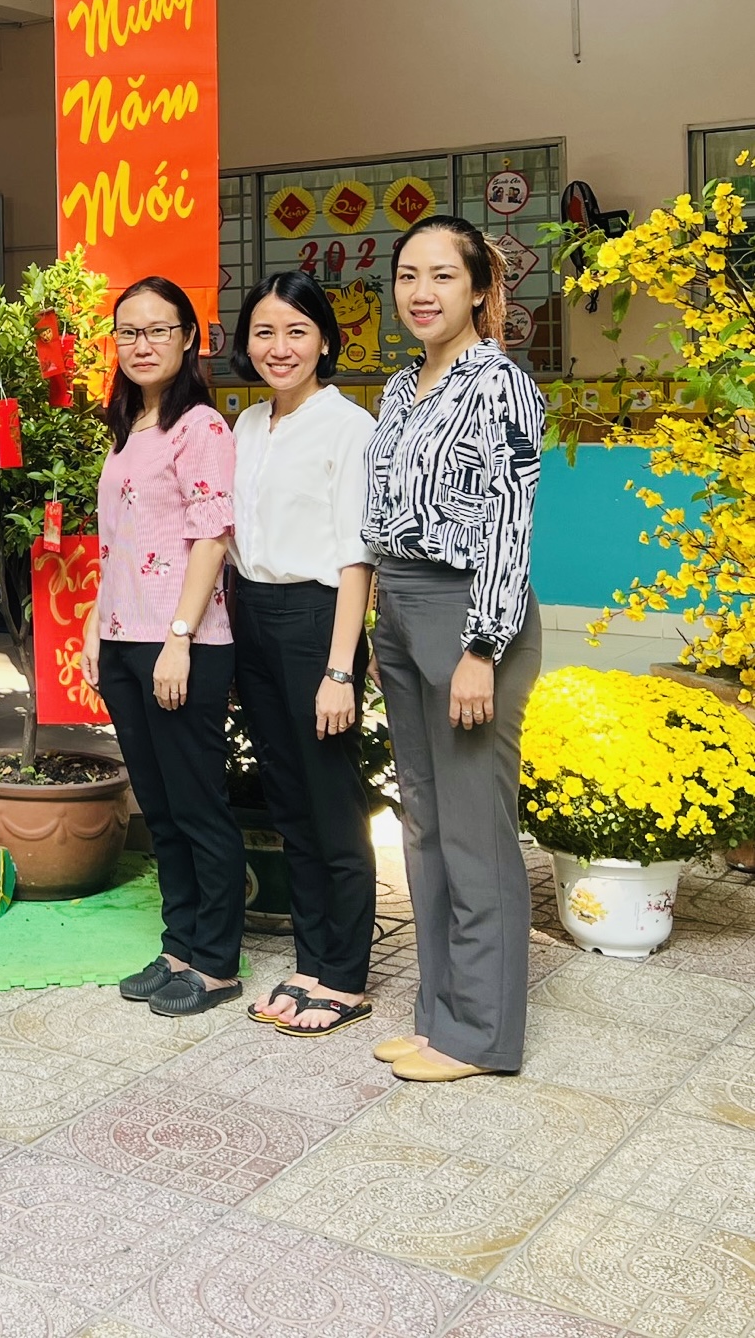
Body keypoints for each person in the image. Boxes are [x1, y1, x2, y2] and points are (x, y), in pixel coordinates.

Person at [363, 215, 545, 1083]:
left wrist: (482, 645)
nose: (421, 292)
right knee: (426, 826)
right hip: (400, 607)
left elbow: (510, 523)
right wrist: (379, 624)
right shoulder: (401, 388)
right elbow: (381, 516)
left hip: (468, 612)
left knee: (475, 831)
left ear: (479, 290)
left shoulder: (500, 384)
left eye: (441, 275)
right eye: (407, 275)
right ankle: (438, 1016)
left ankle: (480, 1034)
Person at [82, 276, 244, 1018]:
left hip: (180, 643)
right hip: (125, 638)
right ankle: (179, 945)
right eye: (127, 332)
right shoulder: (129, 427)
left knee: (198, 804)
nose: (141, 344)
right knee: (160, 807)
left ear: (188, 339)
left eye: (157, 330)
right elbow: (118, 542)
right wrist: (97, 624)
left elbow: (211, 537)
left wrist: (179, 638)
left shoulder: (200, 426)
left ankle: (215, 963)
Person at [226, 271, 379, 1038]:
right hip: (251, 615)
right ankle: (310, 961)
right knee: (287, 801)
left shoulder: (348, 427)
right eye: (263, 332)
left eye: (295, 331)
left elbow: (356, 558)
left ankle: (342, 976)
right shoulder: (248, 425)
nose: (278, 347)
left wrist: (339, 669)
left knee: (329, 801)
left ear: (324, 340)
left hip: (316, 621)